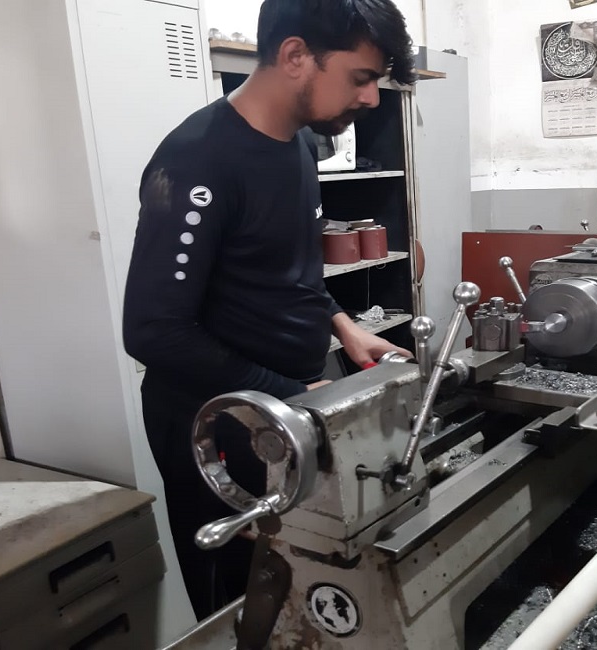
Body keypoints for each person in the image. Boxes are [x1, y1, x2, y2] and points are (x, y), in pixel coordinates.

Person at [122, 0, 415, 620]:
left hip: (289, 408)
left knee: (311, 592)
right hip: (219, 425)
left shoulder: (300, 143)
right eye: (361, 77)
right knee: (247, 607)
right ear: (295, 55)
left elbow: (286, 269)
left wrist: (344, 326)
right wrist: (290, 395)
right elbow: (153, 331)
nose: (370, 98)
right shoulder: (197, 160)